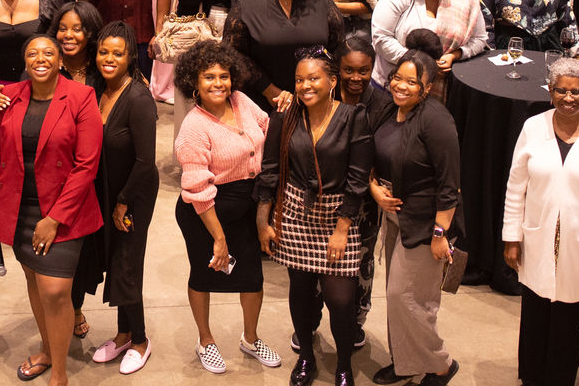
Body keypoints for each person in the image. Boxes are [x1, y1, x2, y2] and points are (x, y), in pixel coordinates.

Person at [0, 33, 102, 383]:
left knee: (56, 290)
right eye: (33, 52)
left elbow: (86, 165)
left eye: (48, 52)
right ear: (25, 61)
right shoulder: (7, 98)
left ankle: (60, 373)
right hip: (18, 209)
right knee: (35, 281)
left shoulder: (81, 97)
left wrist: (54, 219)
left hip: (64, 211)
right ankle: (49, 351)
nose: (40, 57)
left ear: (60, 60)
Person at [503, 57, 579, 386]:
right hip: (537, 244)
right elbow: (516, 187)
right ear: (550, 92)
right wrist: (512, 237)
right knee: (534, 321)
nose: (568, 98)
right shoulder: (533, 128)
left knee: (570, 326)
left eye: (576, 92)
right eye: (561, 91)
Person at [255, 49, 372, 386]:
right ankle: (305, 355)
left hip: (339, 216)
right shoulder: (285, 115)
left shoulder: (354, 117)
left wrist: (342, 228)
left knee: (340, 298)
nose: (305, 85)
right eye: (299, 80)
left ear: (333, 81)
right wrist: (263, 220)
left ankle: (344, 364)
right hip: (294, 213)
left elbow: (358, 177)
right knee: (301, 292)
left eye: (313, 78)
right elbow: (270, 169)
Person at [172, 40, 281, 374]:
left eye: (223, 75)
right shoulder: (193, 127)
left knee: (252, 277)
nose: (218, 83)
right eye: (209, 77)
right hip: (205, 211)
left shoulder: (242, 100)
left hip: (246, 206)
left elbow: (266, 127)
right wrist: (218, 238)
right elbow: (198, 190)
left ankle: (250, 338)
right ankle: (205, 341)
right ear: (194, 82)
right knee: (204, 275)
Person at [369, 50, 461, 386]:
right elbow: (369, 154)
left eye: (412, 82)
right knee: (398, 300)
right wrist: (374, 188)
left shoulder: (436, 120)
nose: (402, 87)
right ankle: (406, 363)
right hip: (394, 216)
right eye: (398, 78)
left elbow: (449, 184)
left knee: (406, 298)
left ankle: (440, 364)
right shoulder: (387, 110)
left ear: (426, 88)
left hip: (425, 224)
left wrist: (440, 233)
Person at [79, 21, 159, 374]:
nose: (109, 58)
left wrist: (124, 201)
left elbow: (145, 161)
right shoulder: (97, 88)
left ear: (131, 57)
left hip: (134, 193)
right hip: (107, 190)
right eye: (103, 52)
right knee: (114, 259)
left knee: (127, 264)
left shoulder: (138, 98)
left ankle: (140, 340)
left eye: (118, 53)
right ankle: (123, 332)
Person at [223, 0, 344, 112]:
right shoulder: (248, 2)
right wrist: (268, 89)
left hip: (315, 100)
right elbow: (233, 53)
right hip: (262, 102)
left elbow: (337, 47)